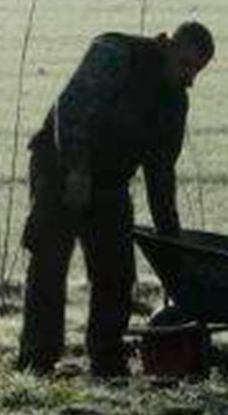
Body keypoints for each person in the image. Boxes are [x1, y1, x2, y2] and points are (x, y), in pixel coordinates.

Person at [16, 20, 215, 379]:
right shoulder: (116, 54)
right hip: (60, 165)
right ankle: (37, 361)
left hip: (110, 183)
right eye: (186, 65)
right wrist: (77, 170)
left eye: (197, 71)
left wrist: (171, 239)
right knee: (49, 262)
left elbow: (160, 173)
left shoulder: (174, 103)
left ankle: (107, 361)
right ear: (168, 45)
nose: (190, 78)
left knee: (117, 275)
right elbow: (70, 108)